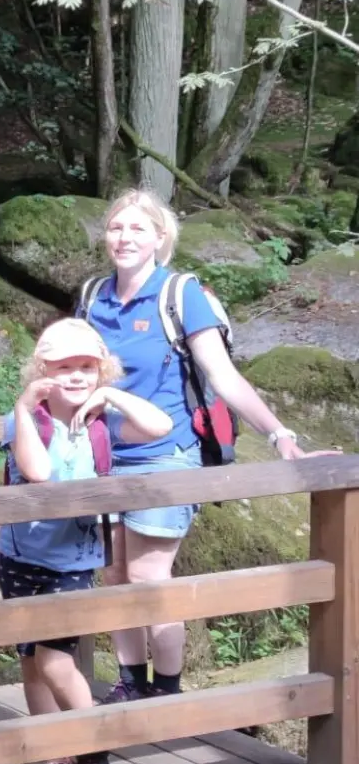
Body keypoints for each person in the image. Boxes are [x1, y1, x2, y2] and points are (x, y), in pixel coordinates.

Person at [84, 190, 330, 703]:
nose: (124, 238)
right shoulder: (93, 296)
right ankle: (130, 683)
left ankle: (168, 690)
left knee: (149, 575)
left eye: (137, 229)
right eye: (115, 228)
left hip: (166, 454)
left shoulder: (179, 294)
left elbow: (223, 377)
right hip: (104, 456)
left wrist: (280, 435)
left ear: (160, 238)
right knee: (113, 575)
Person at [4, 318, 173, 764]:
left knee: (55, 659)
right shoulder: (26, 419)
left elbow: (160, 426)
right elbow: (36, 472)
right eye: (64, 368)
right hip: (20, 554)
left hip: (72, 558)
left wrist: (112, 396)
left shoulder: (102, 421)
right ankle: (55, 762)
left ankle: (93, 752)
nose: (76, 377)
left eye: (86, 368)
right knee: (32, 665)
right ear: (42, 370)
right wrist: (23, 404)